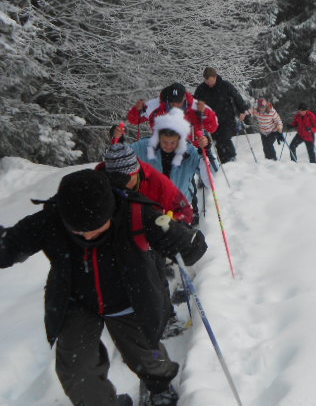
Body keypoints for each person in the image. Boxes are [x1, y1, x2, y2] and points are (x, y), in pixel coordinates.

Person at [0, 169, 208, 406]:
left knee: (148, 354)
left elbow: (194, 250)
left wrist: (182, 240)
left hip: (131, 298)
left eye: (97, 227)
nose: (88, 237)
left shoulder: (137, 214)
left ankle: (160, 384)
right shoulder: (52, 219)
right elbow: (9, 247)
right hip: (77, 300)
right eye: (79, 231)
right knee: (76, 370)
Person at [130, 109, 205, 225]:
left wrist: (207, 153)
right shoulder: (145, 147)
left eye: (173, 142)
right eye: (164, 142)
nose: (168, 146)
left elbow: (209, 178)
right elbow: (125, 155)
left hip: (179, 207)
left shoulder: (190, 153)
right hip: (151, 208)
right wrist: (117, 141)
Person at [98, 143, 194, 224]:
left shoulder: (157, 182)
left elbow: (186, 212)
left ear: (137, 171)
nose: (125, 187)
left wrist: (172, 222)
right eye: (118, 182)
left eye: (128, 180)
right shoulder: (97, 183)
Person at [127, 82, 218, 144]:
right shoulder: (154, 106)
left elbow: (213, 127)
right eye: (172, 102)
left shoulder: (197, 106)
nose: (175, 105)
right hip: (164, 150)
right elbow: (134, 120)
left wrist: (206, 113)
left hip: (193, 151)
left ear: (184, 98)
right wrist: (136, 110)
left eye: (178, 102)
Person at [194, 67, 250, 163]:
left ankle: (231, 161)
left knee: (224, 139)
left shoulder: (225, 85)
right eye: (207, 81)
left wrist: (242, 110)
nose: (210, 83)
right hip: (211, 121)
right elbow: (195, 103)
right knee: (217, 142)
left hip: (226, 118)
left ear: (215, 77)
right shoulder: (201, 89)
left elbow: (236, 96)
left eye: (211, 80)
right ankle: (224, 163)